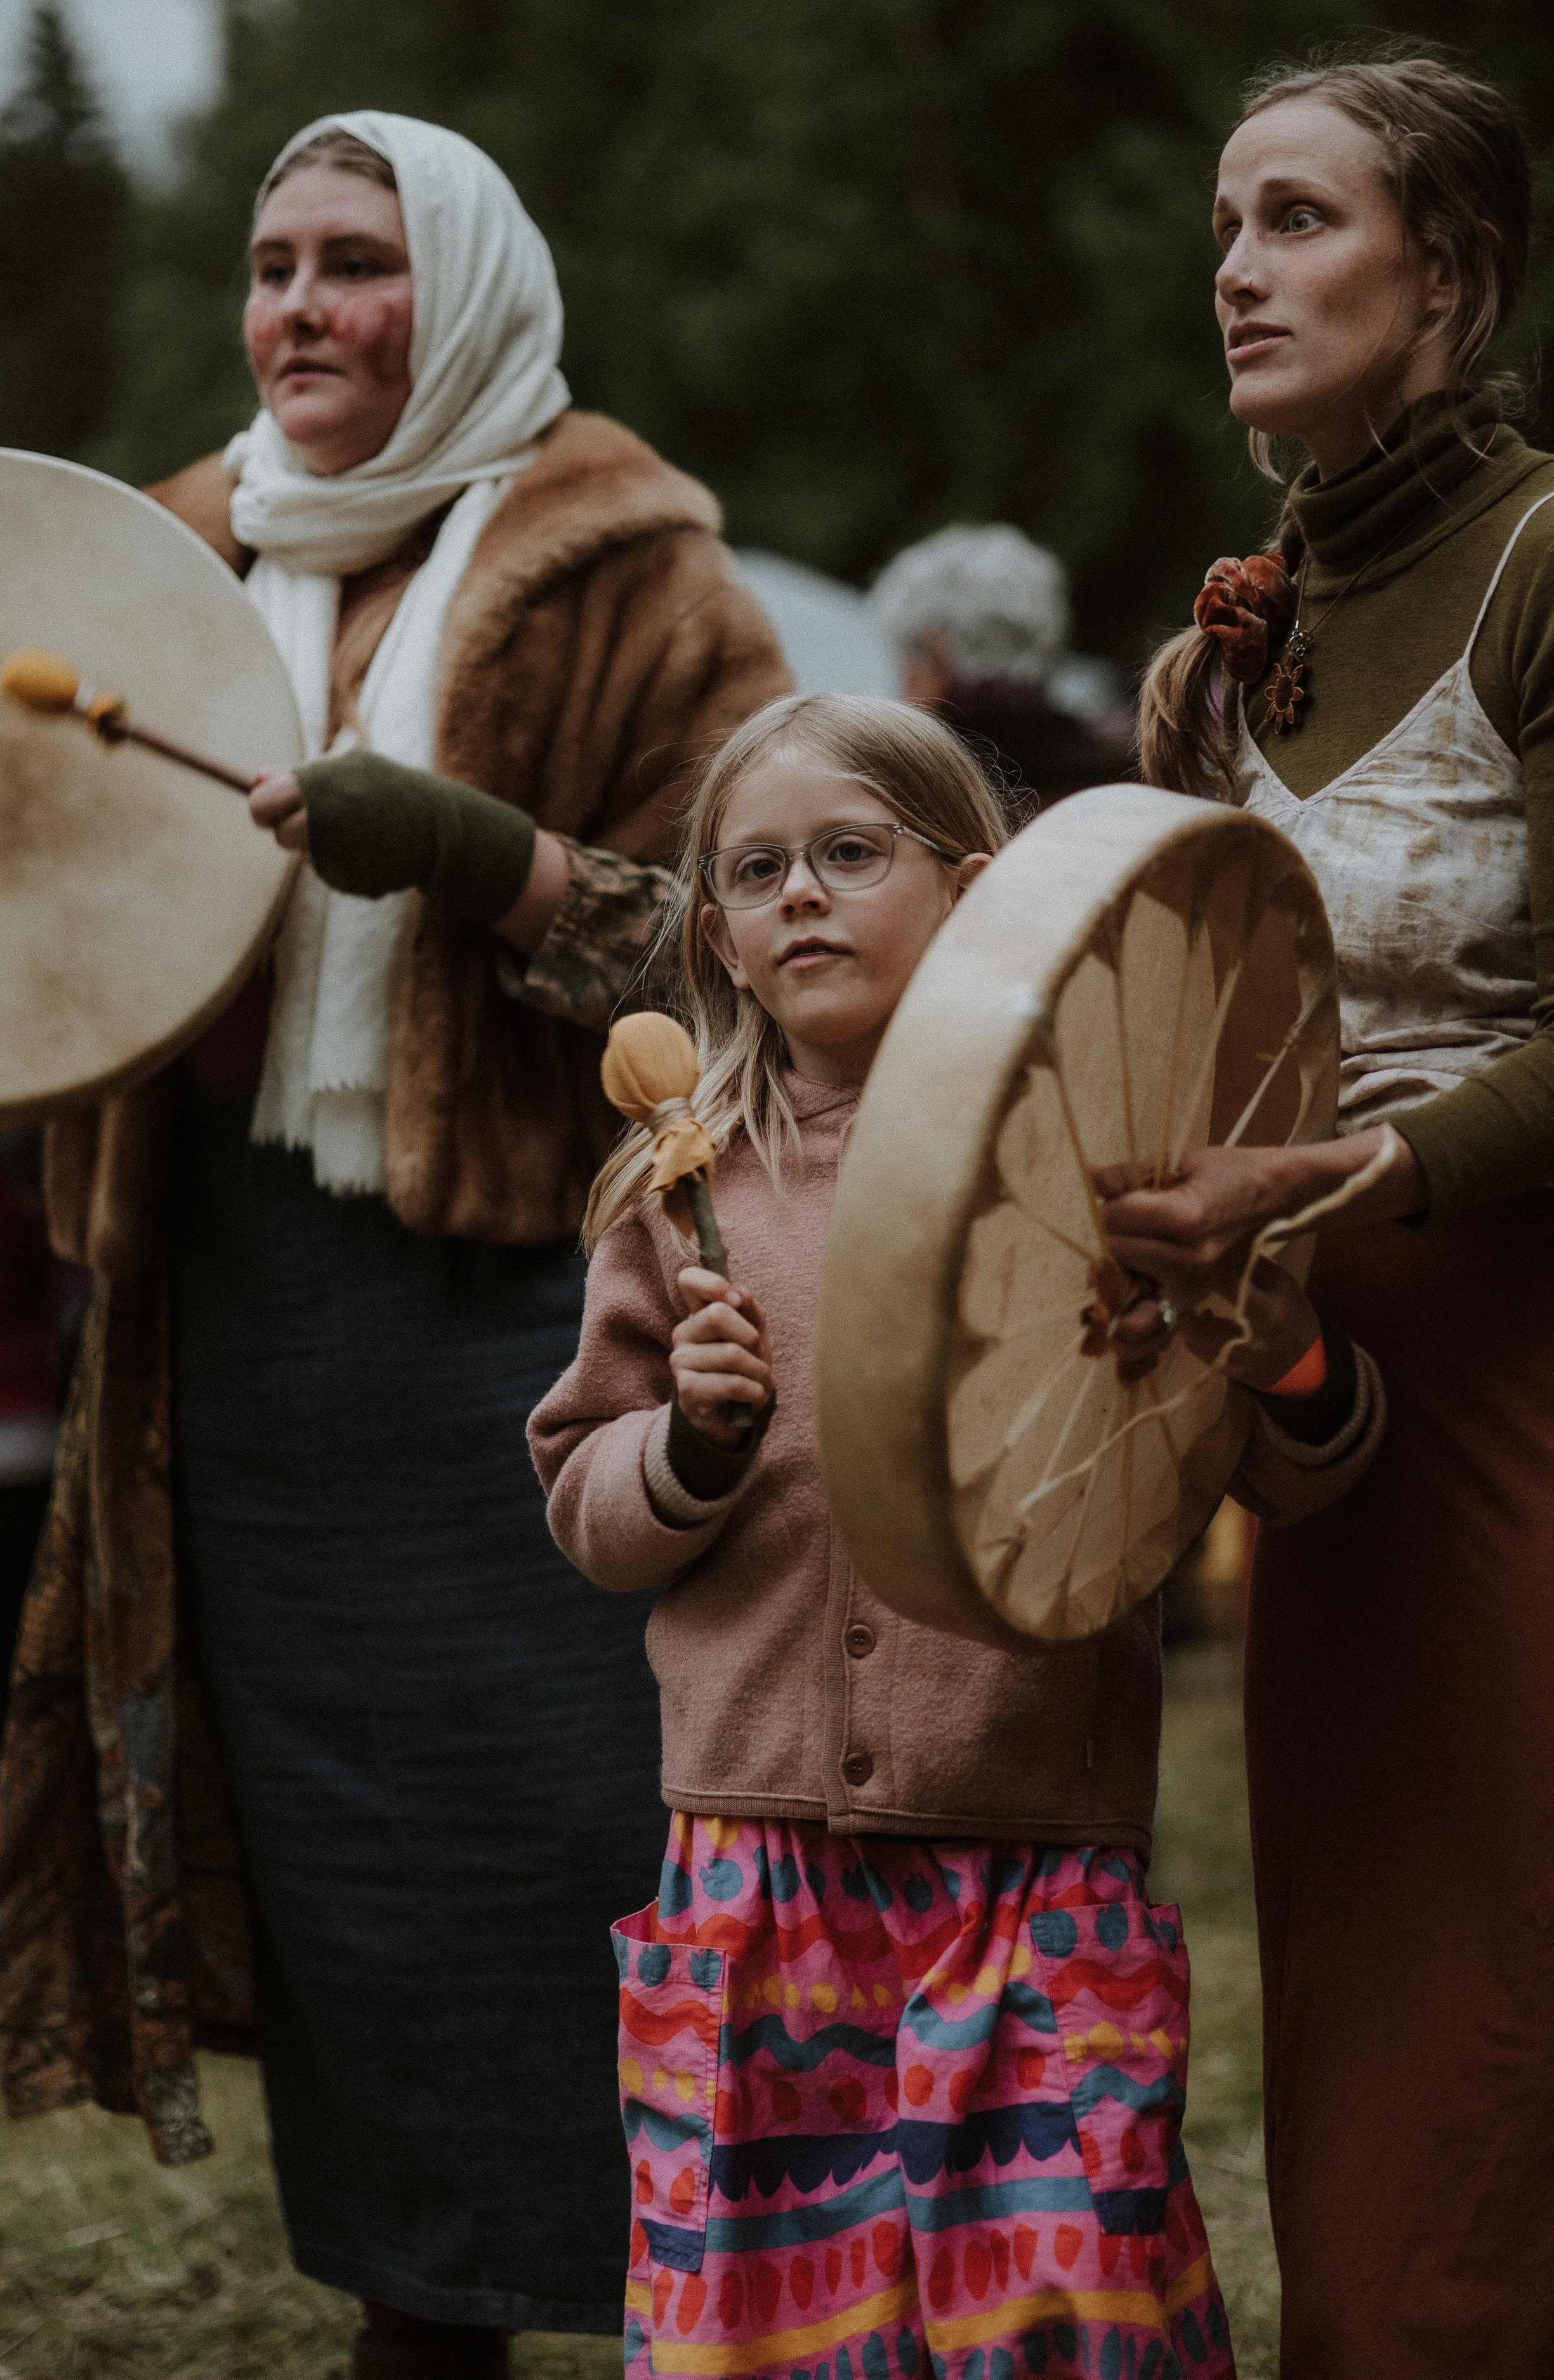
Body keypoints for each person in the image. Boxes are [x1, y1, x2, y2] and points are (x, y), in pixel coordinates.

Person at [0, 112, 789, 2379]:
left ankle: (678, 2301)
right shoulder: (155, 565)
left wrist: (482, 857)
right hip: (234, 1333)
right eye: (271, 264)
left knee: (582, 1855)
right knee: (343, 1886)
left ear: (470, 290)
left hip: (541, 1326)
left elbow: (756, 963)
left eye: (358, 260)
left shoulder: (640, 578)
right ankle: (413, 2319)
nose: (300, 309)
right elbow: (41, 921)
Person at [528, 692, 1390, 2380]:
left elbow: (1298, 1472)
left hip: (1026, 1864)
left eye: (850, 852)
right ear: (714, 933)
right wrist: (691, 1438)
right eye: (757, 870)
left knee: (1059, 2310)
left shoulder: (1098, 1164)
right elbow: (587, 1506)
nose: (799, 895)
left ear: (975, 886)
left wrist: (1279, 1344)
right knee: (775, 2323)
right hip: (754, 1871)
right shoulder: (682, 1182)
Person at [1102, 53, 1554, 2378]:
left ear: (1451, 274)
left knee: (1512, 1971)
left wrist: (1361, 1166)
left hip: (1517, 1367)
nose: (1236, 271)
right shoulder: (1235, 633)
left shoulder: (1542, 556)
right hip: (1307, 1395)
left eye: (1296, 220)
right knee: (1368, 1979)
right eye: (1222, 229)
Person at [867, 524, 1134, 807]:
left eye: (903, 660)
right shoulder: (1121, 778)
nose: (901, 687)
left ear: (933, 649)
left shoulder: (907, 788)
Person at [0, 1133, 65, 1838]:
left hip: (11, 1424)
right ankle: (20, 1837)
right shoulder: (13, 1121)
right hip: (17, 1423)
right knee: (13, 1662)